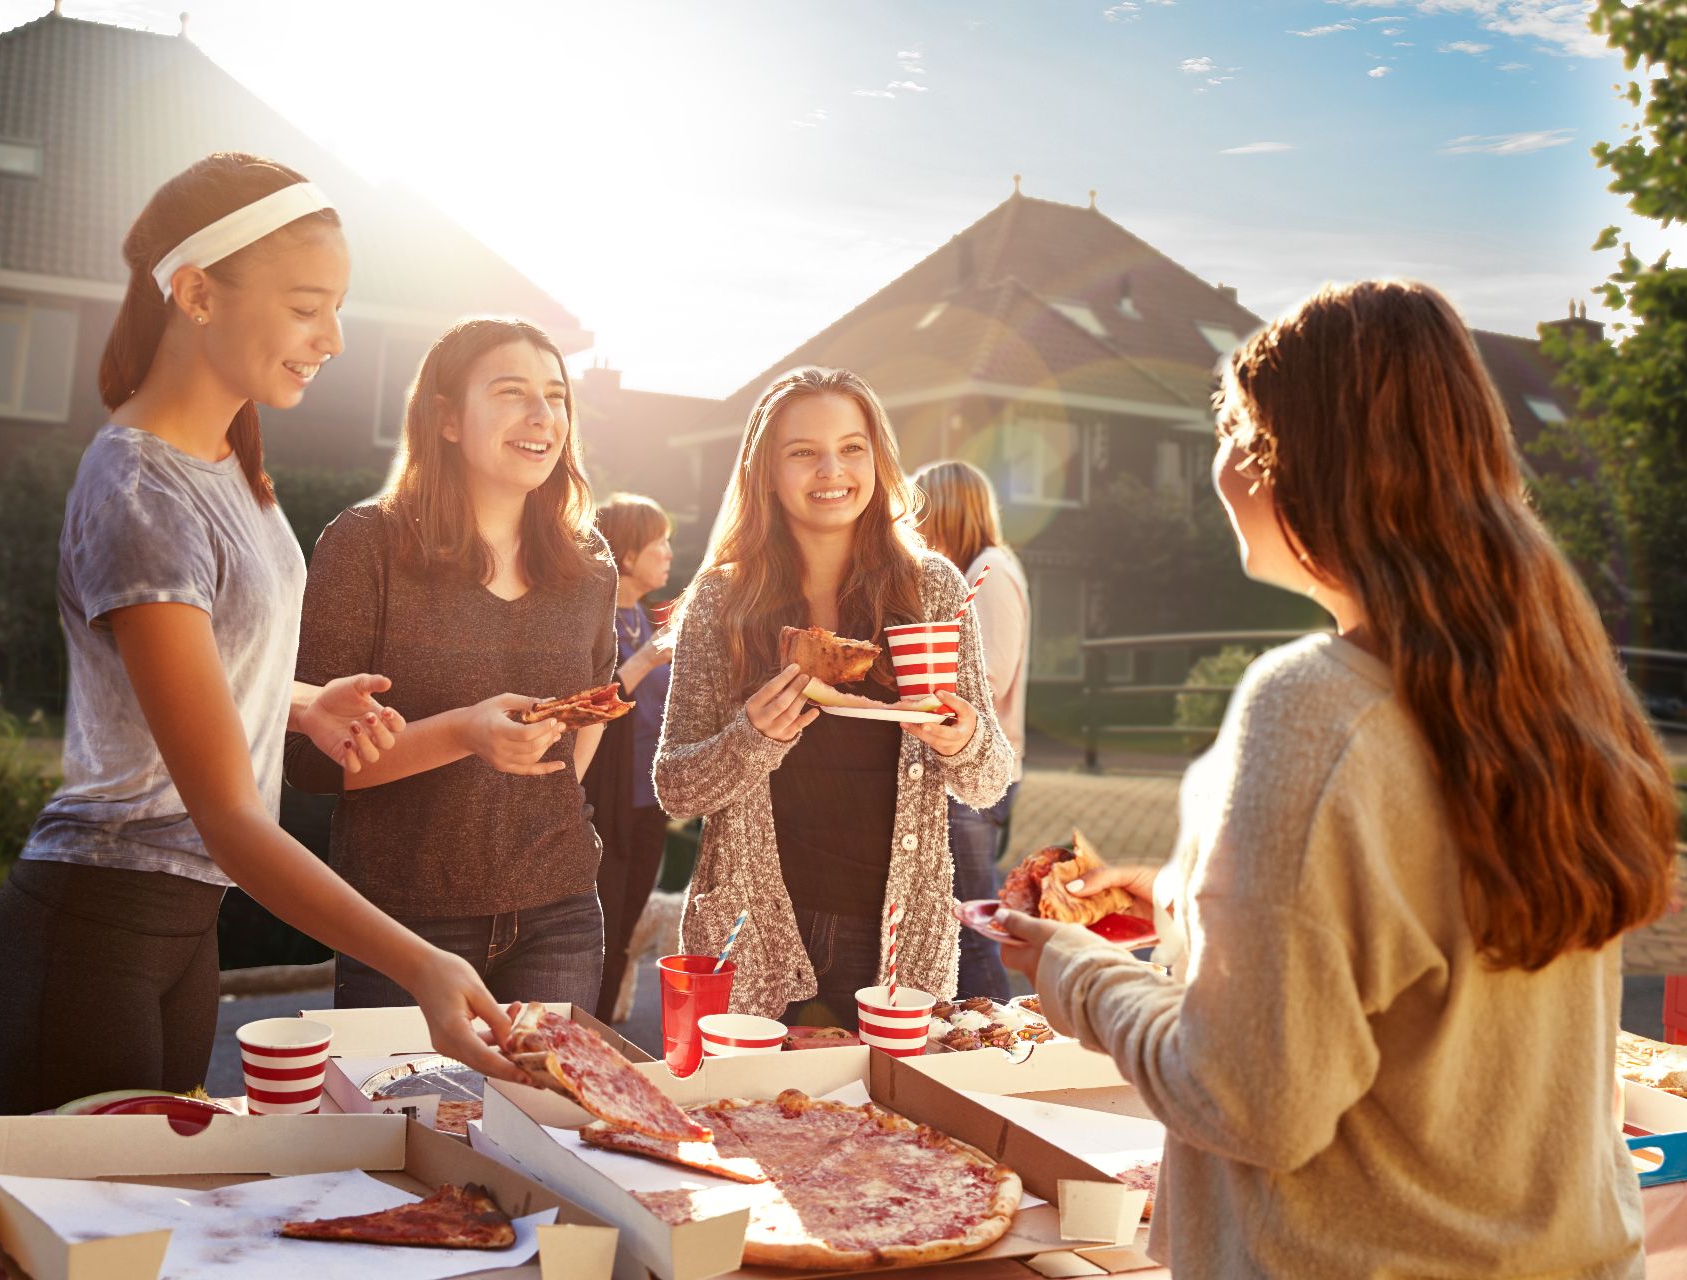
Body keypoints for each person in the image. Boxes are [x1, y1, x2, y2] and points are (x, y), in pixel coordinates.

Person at [997, 280, 1675, 1276]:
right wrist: (1189, 898)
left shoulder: (1313, 706)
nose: (1221, 465)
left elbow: (1249, 1097)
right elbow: (1425, 941)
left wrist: (1074, 970)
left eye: (1232, 429)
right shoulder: (1551, 681)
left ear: (1291, 460)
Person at [0, 154, 522, 1115]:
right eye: (309, 305)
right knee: (95, 1256)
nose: (334, 337)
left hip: (182, 930)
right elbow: (229, 816)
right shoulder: (140, 489)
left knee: (169, 1239)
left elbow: (189, 666)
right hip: (90, 934)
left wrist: (298, 705)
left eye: (338, 307)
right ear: (195, 293)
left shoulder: (227, 460)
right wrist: (422, 964)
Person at [655, 367, 1015, 1030]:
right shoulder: (722, 601)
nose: (832, 470)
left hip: (896, 944)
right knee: (747, 1125)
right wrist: (750, 739)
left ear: (878, 460)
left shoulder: (930, 590)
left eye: (852, 448)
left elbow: (991, 778)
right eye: (803, 452)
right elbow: (675, 787)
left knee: (891, 1130)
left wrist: (963, 738)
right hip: (747, 930)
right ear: (766, 470)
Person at [287, 318, 615, 1012]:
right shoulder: (364, 546)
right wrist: (466, 732)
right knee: (404, 1122)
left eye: (556, 396)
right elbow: (312, 763)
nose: (542, 416)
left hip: (561, 912)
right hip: (403, 921)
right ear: (447, 420)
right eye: (511, 392)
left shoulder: (589, 566)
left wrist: (535, 801)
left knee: (545, 1121)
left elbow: (592, 711)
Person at [912, 460, 1030, 1000]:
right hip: (962, 766)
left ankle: (996, 1037)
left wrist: (917, 686)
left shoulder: (991, 572)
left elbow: (991, 672)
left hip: (976, 774)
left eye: (921, 510)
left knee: (970, 922)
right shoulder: (977, 569)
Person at [585, 493, 677, 1022]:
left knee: (624, 934)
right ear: (624, 555)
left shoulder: (645, 618)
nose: (668, 552)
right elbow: (592, 702)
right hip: (606, 805)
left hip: (650, 804)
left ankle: (596, 1043)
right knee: (600, 930)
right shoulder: (593, 620)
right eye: (658, 541)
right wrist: (648, 658)